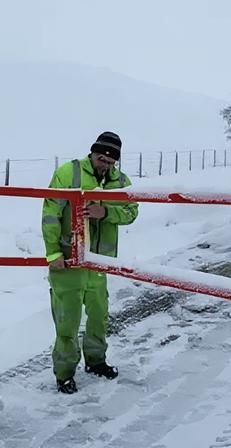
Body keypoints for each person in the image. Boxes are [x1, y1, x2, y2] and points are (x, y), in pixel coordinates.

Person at [41, 131, 139, 394]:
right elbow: (50, 214)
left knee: (98, 317)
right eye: (100, 158)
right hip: (69, 262)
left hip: (98, 263)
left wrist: (105, 212)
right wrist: (53, 254)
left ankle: (96, 362)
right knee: (67, 322)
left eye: (110, 162)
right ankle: (64, 374)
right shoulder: (67, 173)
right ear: (92, 152)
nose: (104, 165)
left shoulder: (122, 181)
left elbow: (132, 212)